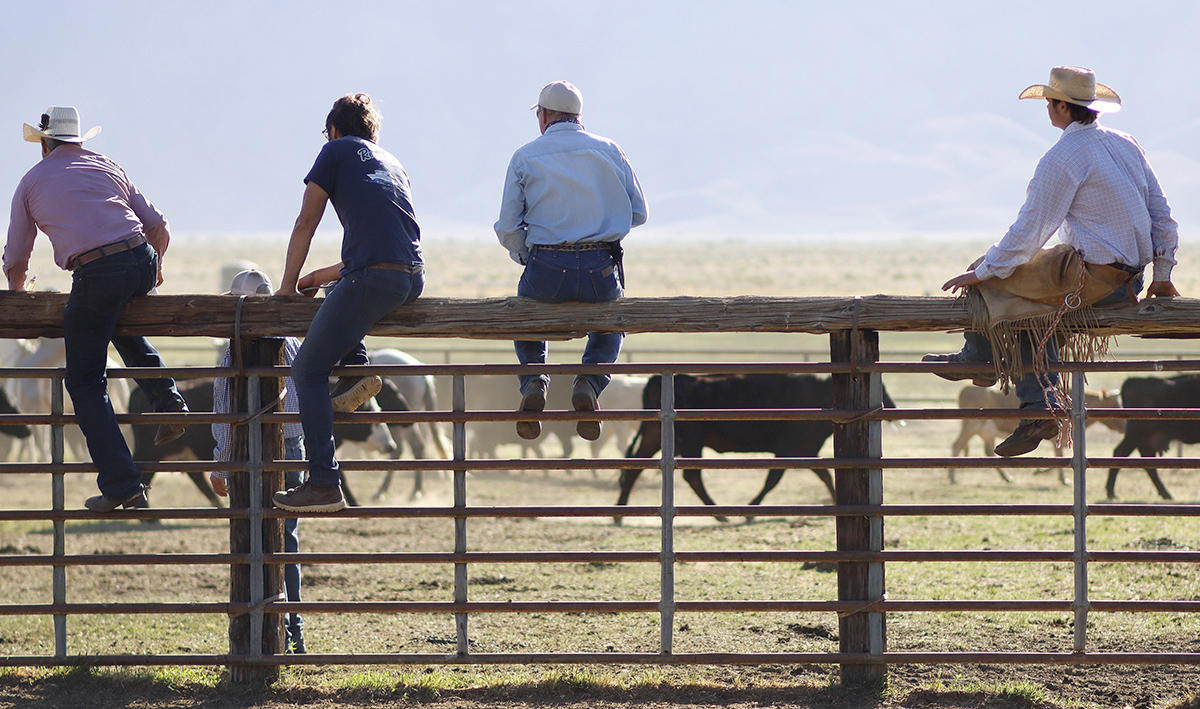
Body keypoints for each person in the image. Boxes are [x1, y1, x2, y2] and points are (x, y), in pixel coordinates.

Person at [925, 67, 1180, 456]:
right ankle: (1035, 405)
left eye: (1049, 102)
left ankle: (982, 359)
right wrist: (1162, 275)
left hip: (1092, 279)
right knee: (1022, 299)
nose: (1047, 108)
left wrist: (982, 271)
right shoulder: (1126, 143)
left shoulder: (1063, 158)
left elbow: (1031, 229)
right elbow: (1162, 216)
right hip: (1132, 279)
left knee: (988, 274)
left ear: (1061, 107)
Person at [3, 106, 189, 512]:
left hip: (97, 271)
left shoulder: (31, 183)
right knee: (118, 324)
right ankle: (169, 400)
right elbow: (159, 226)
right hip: (138, 256)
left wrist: (18, 292)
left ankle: (122, 484)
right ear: (80, 141)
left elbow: (17, 254)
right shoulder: (106, 165)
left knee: (85, 381)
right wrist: (153, 273)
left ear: (45, 144)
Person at [272, 93, 424, 513]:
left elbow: (306, 221)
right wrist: (320, 277)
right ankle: (356, 370)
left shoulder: (333, 152)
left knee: (306, 369)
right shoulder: (391, 161)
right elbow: (383, 245)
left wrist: (286, 287)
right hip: (410, 276)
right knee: (340, 291)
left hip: (373, 276)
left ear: (334, 131)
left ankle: (322, 481)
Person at [495, 80, 647, 442]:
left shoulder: (525, 156)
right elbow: (638, 212)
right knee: (611, 325)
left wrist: (527, 256)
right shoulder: (610, 150)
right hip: (600, 267)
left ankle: (534, 381)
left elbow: (508, 226)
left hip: (545, 265)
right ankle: (589, 383)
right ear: (579, 116)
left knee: (526, 319)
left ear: (543, 116)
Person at [208, 269, 306, 653]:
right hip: (294, 447)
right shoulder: (292, 341)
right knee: (286, 540)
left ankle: (258, 627)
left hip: (252, 450)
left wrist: (220, 463)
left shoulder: (235, 349)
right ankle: (292, 630)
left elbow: (224, 405)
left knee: (251, 537)